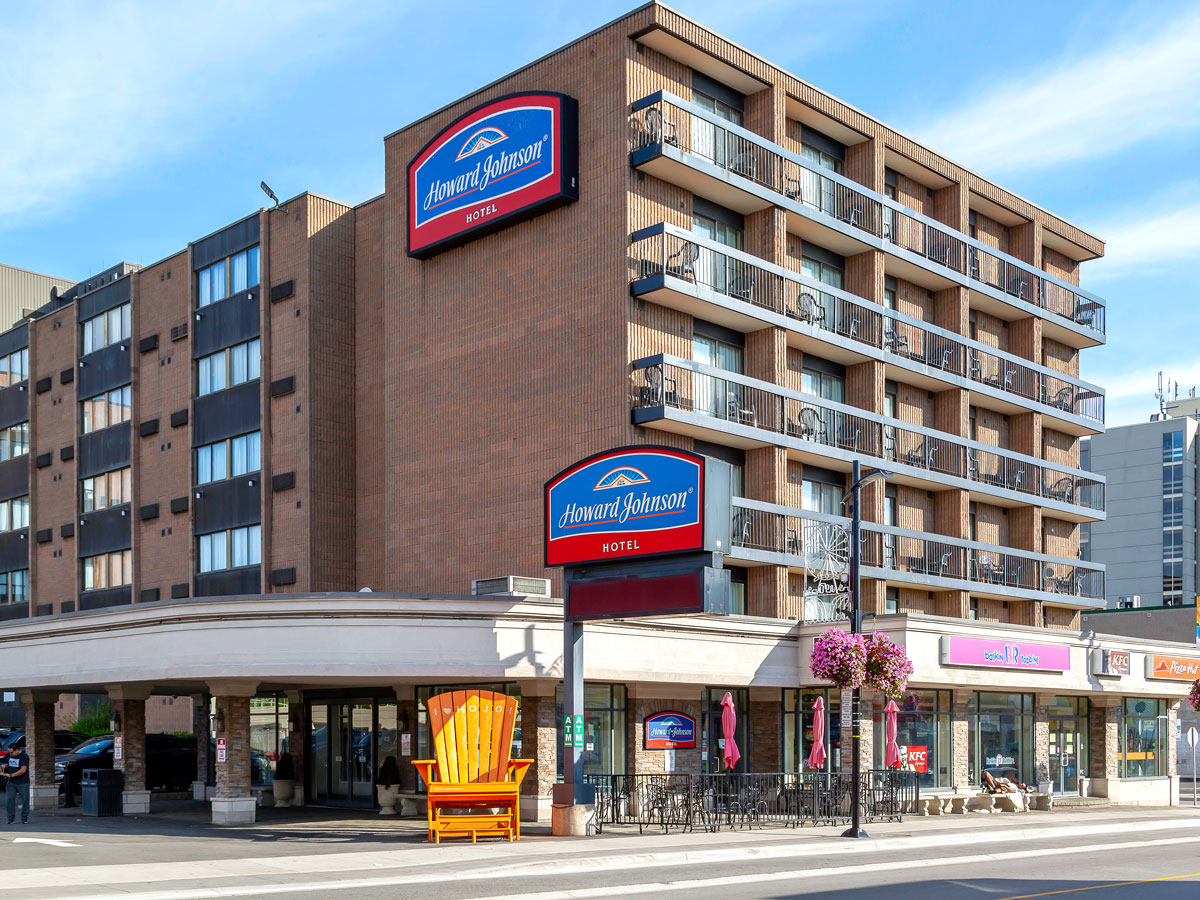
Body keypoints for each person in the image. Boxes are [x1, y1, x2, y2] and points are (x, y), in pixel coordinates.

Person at [4, 743, 30, 825]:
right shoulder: (10, 755)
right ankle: (10, 819)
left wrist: (11, 775)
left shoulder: (24, 756)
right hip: (11, 782)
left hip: (23, 782)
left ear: (17, 750)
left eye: (12, 752)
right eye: (9, 752)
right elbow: (9, 764)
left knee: (24, 800)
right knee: (10, 800)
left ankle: (24, 818)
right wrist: (4, 767)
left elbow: (23, 770)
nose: (10, 754)